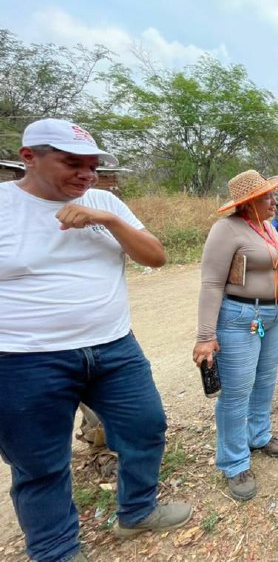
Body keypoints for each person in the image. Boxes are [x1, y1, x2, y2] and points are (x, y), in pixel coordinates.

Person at [0, 119, 191, 562]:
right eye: (72, 163)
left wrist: (106, 218)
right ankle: (55, 550)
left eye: (92, 165)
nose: (86, 174)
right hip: (23, 359)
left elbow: (156, 257)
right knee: (39, 465)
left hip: (113, 348)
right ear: (30, 156)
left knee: (146, 429)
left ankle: (137, 510)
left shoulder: (103, 201)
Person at [193, 170, 278, 502]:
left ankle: (259, 435)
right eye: (267, 197)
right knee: (236, 393)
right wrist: (206, 335)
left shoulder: (266, 227)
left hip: (273, 315)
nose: (274, 201)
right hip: (239, 318)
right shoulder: (226, 230)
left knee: (265, 380)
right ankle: (235, 462)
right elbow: (211, 283)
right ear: (249, 203)